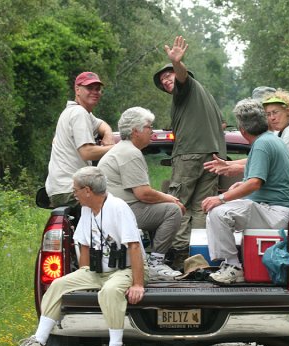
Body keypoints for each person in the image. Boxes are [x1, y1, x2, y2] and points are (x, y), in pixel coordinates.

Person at [13, 166, 146, 346]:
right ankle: (39, 341)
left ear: (87, 190)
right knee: (58, 284)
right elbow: (84, 244)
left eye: (75, 189)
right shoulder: (87, 209)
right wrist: (84, 275)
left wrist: (138, 284)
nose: (73, 193)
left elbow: (134, 247)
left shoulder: (118, 207)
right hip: (96, 271)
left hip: (124, 269)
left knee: (110, 291)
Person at [201, 98, 289, 284]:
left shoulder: (261, 144)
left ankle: (233, 266)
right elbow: (254, 175)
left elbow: (254, 183)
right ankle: (232, 263)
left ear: (242, 130)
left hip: (274, 212)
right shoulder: (271, 140)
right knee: (226, 209)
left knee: (218, 212)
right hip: (274, 209)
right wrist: (235, 179)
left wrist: (220, 198)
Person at [153, 35, 227, 267]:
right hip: (213, 157)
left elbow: (182, 76)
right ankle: (200, 258)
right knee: (201, 208)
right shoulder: (206, 96)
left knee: (178, 206)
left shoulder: (185, 86)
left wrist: (176, 62)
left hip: (189, 155)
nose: (166, 81)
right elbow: (222, 125)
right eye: (163, 80)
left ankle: (177, 257)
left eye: (169, 76)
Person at [98, 107, 185, 280]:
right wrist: (171, 198)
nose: (152, 131)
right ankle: (156, 263)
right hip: (121, 213)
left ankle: (152, 257)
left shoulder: (122, 149)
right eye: (148, 126)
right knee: (172, 210)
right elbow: (143, 194)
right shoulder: (130, 152)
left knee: (163, 206)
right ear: (135, 130)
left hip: (114, 211)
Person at [45, 71, 116, 213]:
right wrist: (116, 148)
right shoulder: (79, 113)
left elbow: (101, 124)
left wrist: (107, 133)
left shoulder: (75, 112)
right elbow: (87, 152)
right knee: (116, 206)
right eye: (90, 88)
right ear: (77, 90)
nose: (95, 92)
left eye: (98, 89)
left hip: (59, 189)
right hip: (71, 190)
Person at [204, 86, 276, 178]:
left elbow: (271, 167)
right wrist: (227, 164)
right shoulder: (266, 136)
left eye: (268, 110)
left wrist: (237, 169)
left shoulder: (276, 136)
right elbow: (255, 160)